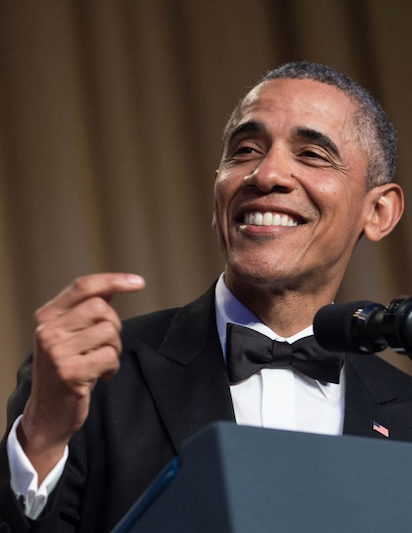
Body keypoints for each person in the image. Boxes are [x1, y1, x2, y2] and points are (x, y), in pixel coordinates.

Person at [2, 61, 412, 532]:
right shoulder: (95, 377)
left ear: (379, 211)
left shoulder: (406, 412)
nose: (267, 173)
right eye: (246, 150)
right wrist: (41, 440)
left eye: (312, 155)